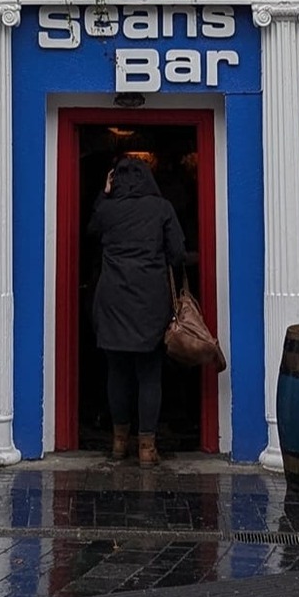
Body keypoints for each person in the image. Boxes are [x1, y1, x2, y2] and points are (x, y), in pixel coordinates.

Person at [88, 155, 186, 467]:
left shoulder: (107, 209)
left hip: (113, 299)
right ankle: (146, 448)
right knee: (148, 375)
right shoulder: (161, 208)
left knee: (116, 372)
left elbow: (90, 231)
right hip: (150, 300)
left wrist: (104, 193)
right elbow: (178, 252)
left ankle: (118, 444)